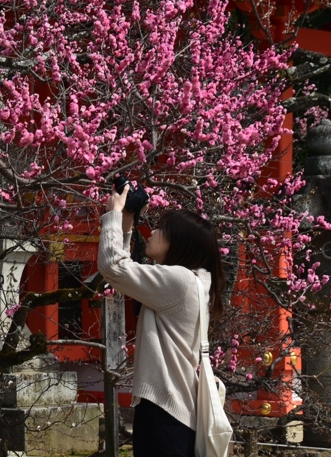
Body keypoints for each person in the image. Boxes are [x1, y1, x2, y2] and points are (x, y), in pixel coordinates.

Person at [97, 183, 225, 457]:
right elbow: (124, 271)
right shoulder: (193, 281)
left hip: (164, 412)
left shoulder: (179, 281)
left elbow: (112, 267)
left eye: (162, 229)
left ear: (178, 243)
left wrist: (113, 216)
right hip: (173, 411)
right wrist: (125, 227)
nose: (152, 232)